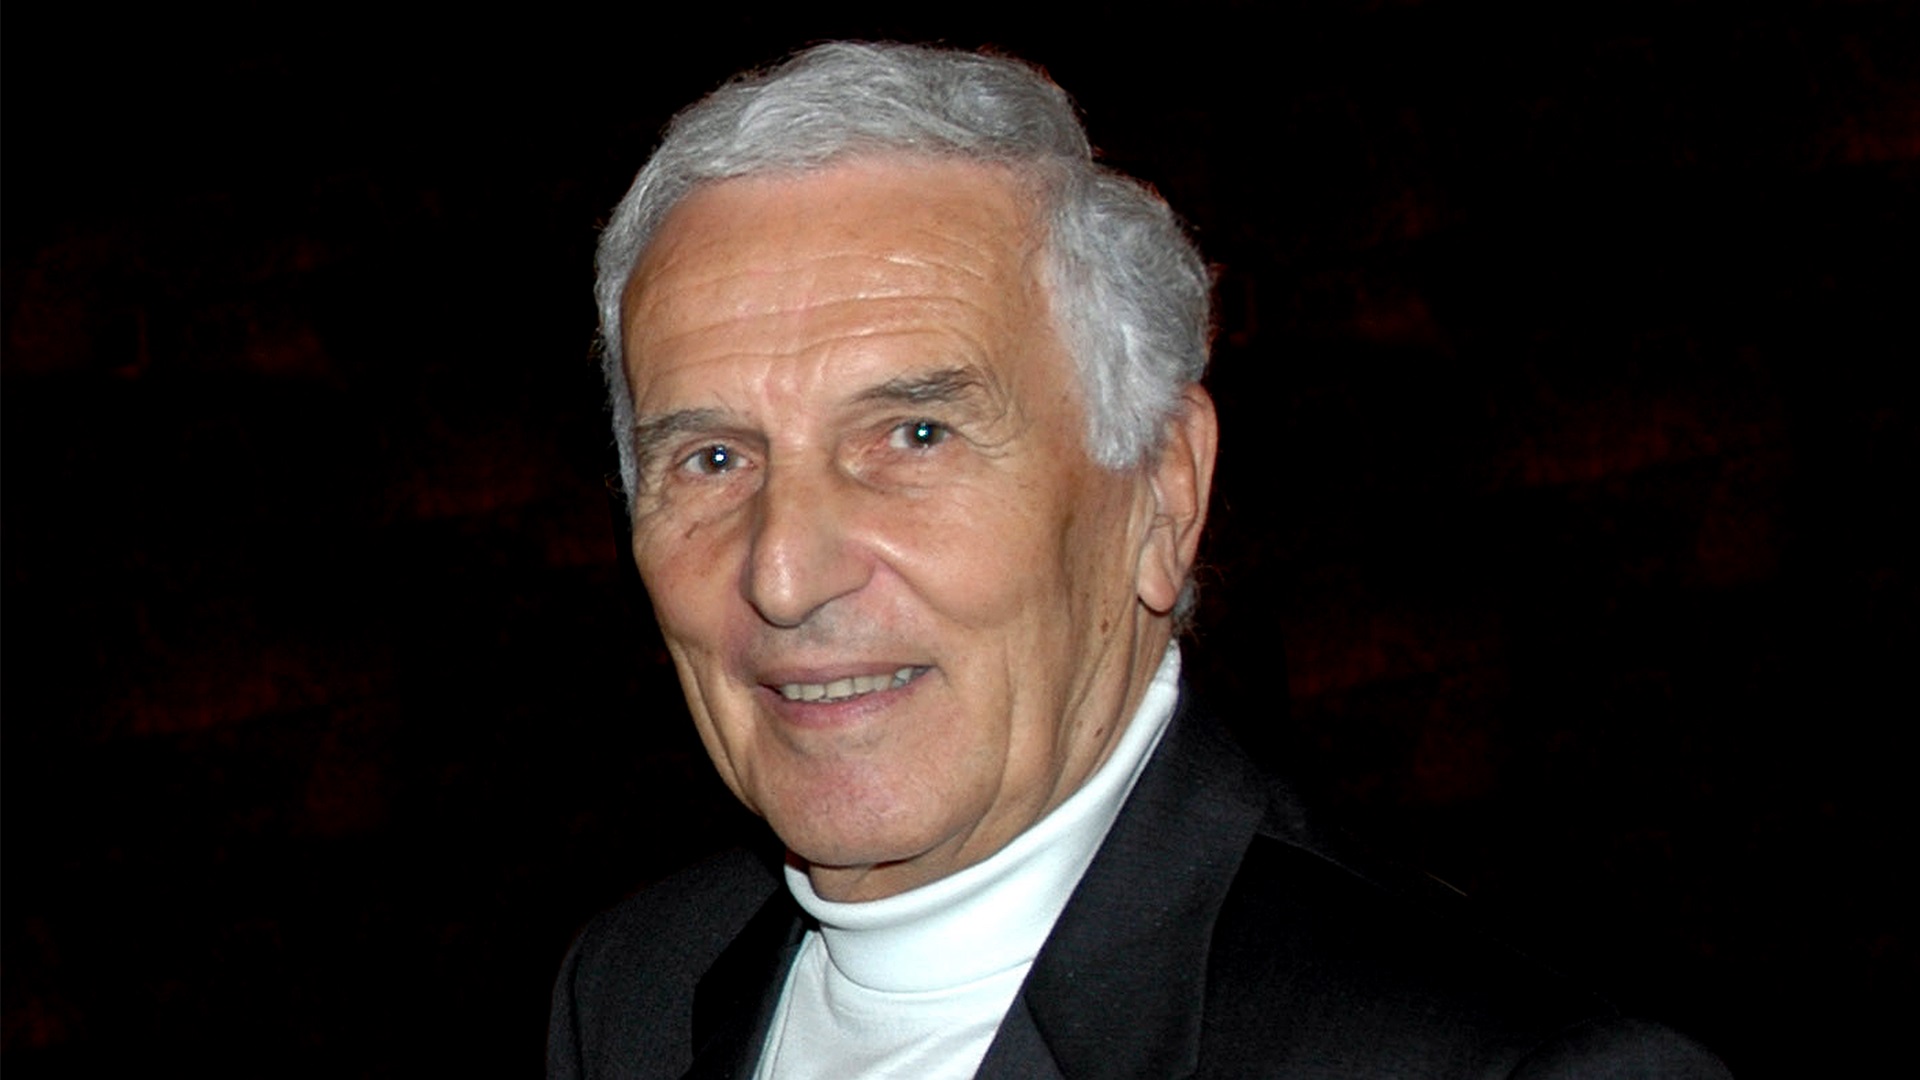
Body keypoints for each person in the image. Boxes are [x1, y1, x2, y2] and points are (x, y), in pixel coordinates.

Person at [549, 42, 1730, 1080]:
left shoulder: (1501, 1062)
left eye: (915, 436)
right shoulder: (634, 992)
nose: (785, 575)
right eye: (712, 459)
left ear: (1162, 495)